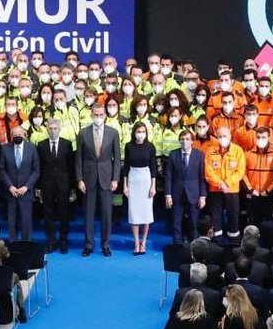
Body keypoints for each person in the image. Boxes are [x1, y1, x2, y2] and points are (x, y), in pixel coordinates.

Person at [77, 103, 122, 256]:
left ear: (105, 116)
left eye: (101, 115)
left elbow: (117, 158)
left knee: (106, 214)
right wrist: (79, 179)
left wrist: (116, 178)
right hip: (88, 178)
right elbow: (79, 159)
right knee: (88, 214)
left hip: (106, 178)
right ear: (91, 115)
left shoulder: (113, 133)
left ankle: (105, 245)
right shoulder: (83, 133)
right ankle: (88, 244)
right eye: (95, 115)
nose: (98, 118)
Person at [36, 118, 74, 253]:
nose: (53, 131)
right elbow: (39, 167)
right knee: (48, 214)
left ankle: (64, 241)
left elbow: (71, 167)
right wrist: (38, 187)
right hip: (47, 184)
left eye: (55, 128)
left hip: (63, 184)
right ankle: (51, 241)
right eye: (50, 129)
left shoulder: (67, 144)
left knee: (64, 213)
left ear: (59, 129)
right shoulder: (41, 145)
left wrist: (72, 186)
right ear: (47, 130)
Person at [164, 130, 206, 246]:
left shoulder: (199, 155)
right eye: (182, 139)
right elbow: (168, 177)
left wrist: (203, 196)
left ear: (192, 141)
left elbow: (202, 178)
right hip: (177, 194)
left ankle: (194, 247)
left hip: (194, 194)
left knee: (194, 223)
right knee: (176, 223)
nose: (184, 141)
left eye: (187, 139)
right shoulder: (173, 154)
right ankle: (178, 246)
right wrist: (168, 195)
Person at [0, 124, 40, 243]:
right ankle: (12, 247)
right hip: (11, 192)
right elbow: (1, 169)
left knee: (26, 222)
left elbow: (36, 170)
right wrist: (10, 186)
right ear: (11, 136)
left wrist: (26, 187)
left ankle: (26, 247)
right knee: (12, 223)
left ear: (24, 135)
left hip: (26, 192)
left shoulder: (32, 148)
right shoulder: (4, 148)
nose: (18, 136)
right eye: (15, 135)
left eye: (20, 134)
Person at [122, 122, 156, 255]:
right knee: (134, 212)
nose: (141, 134)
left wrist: (153, 185)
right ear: (134, 132)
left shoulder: (150, 146)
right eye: (138, 131)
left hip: (146, 178)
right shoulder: (128, 146)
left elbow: (153, 167)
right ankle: (136, 242)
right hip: (133, 178)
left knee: (146, 212)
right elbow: (126, 167)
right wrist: (125, 185)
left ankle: (144, 242)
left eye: (143, 131)